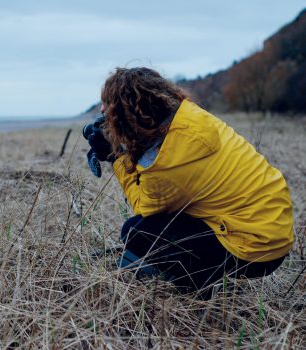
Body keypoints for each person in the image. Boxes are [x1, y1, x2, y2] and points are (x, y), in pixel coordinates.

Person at [85, 67, 294, 297]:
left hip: (255, 248)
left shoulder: (169, 161)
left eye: (108, 104)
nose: (102, 110)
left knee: (138, 233)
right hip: (272, 227)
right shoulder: (189, 117)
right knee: (164, 227)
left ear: (130, 113)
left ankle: (194, 289)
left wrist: (116, 157)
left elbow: (143, 206)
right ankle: (202, 270)